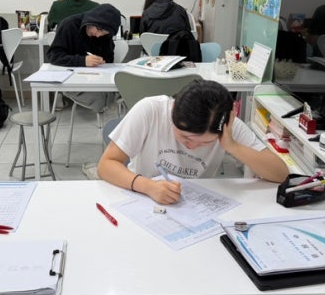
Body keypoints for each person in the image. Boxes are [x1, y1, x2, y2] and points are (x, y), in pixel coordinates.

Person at [97, 80, 288, 204]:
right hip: (142, 197)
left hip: (194, 204)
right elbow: (106, 165)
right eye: (185, 137)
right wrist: (147, 187)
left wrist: (233, 146)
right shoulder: (151, 110)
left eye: (205, 143)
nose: (192, 146)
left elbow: (280, 174)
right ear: (173, 112)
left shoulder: (228, 127)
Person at [47, 3, 120, 112]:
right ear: (93, 21)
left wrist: (101, 60)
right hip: (71, 78)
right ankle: (106, 103)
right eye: (99, 30)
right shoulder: (69, 25)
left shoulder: (104, 33)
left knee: (118, 90)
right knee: (101, 99)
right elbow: (54, 55)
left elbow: (109, 57)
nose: (98, 35)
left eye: (104, 33)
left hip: (96, 77)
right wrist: (83, 60)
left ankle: (107, 103)